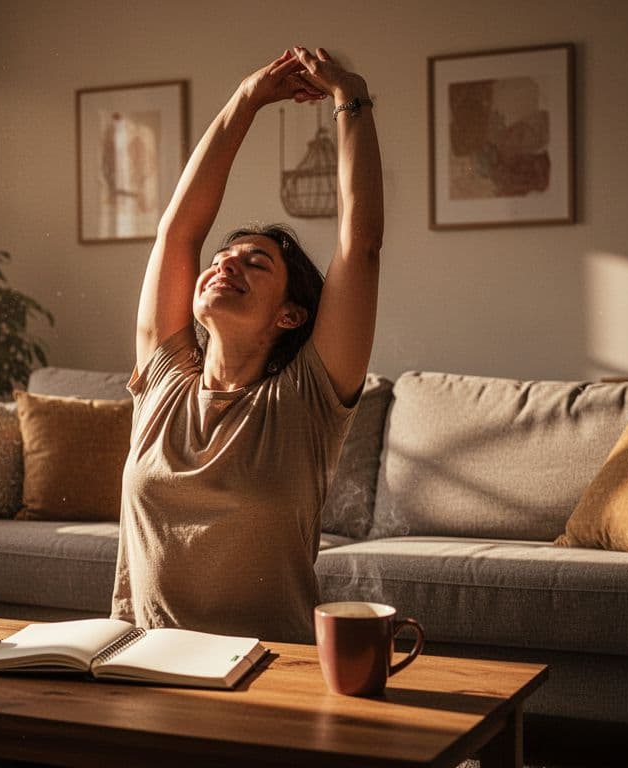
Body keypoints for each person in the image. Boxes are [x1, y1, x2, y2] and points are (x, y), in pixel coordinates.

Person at [111, 46, 384, 644]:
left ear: (291, 315)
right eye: (221, 259)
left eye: (254, 264)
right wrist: (246, 99)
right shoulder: (162, 381)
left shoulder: (306, 399)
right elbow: (178, 230)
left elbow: (359, 244)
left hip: (267, 671)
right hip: (138, 661)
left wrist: (350, 98)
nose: (224, 267)